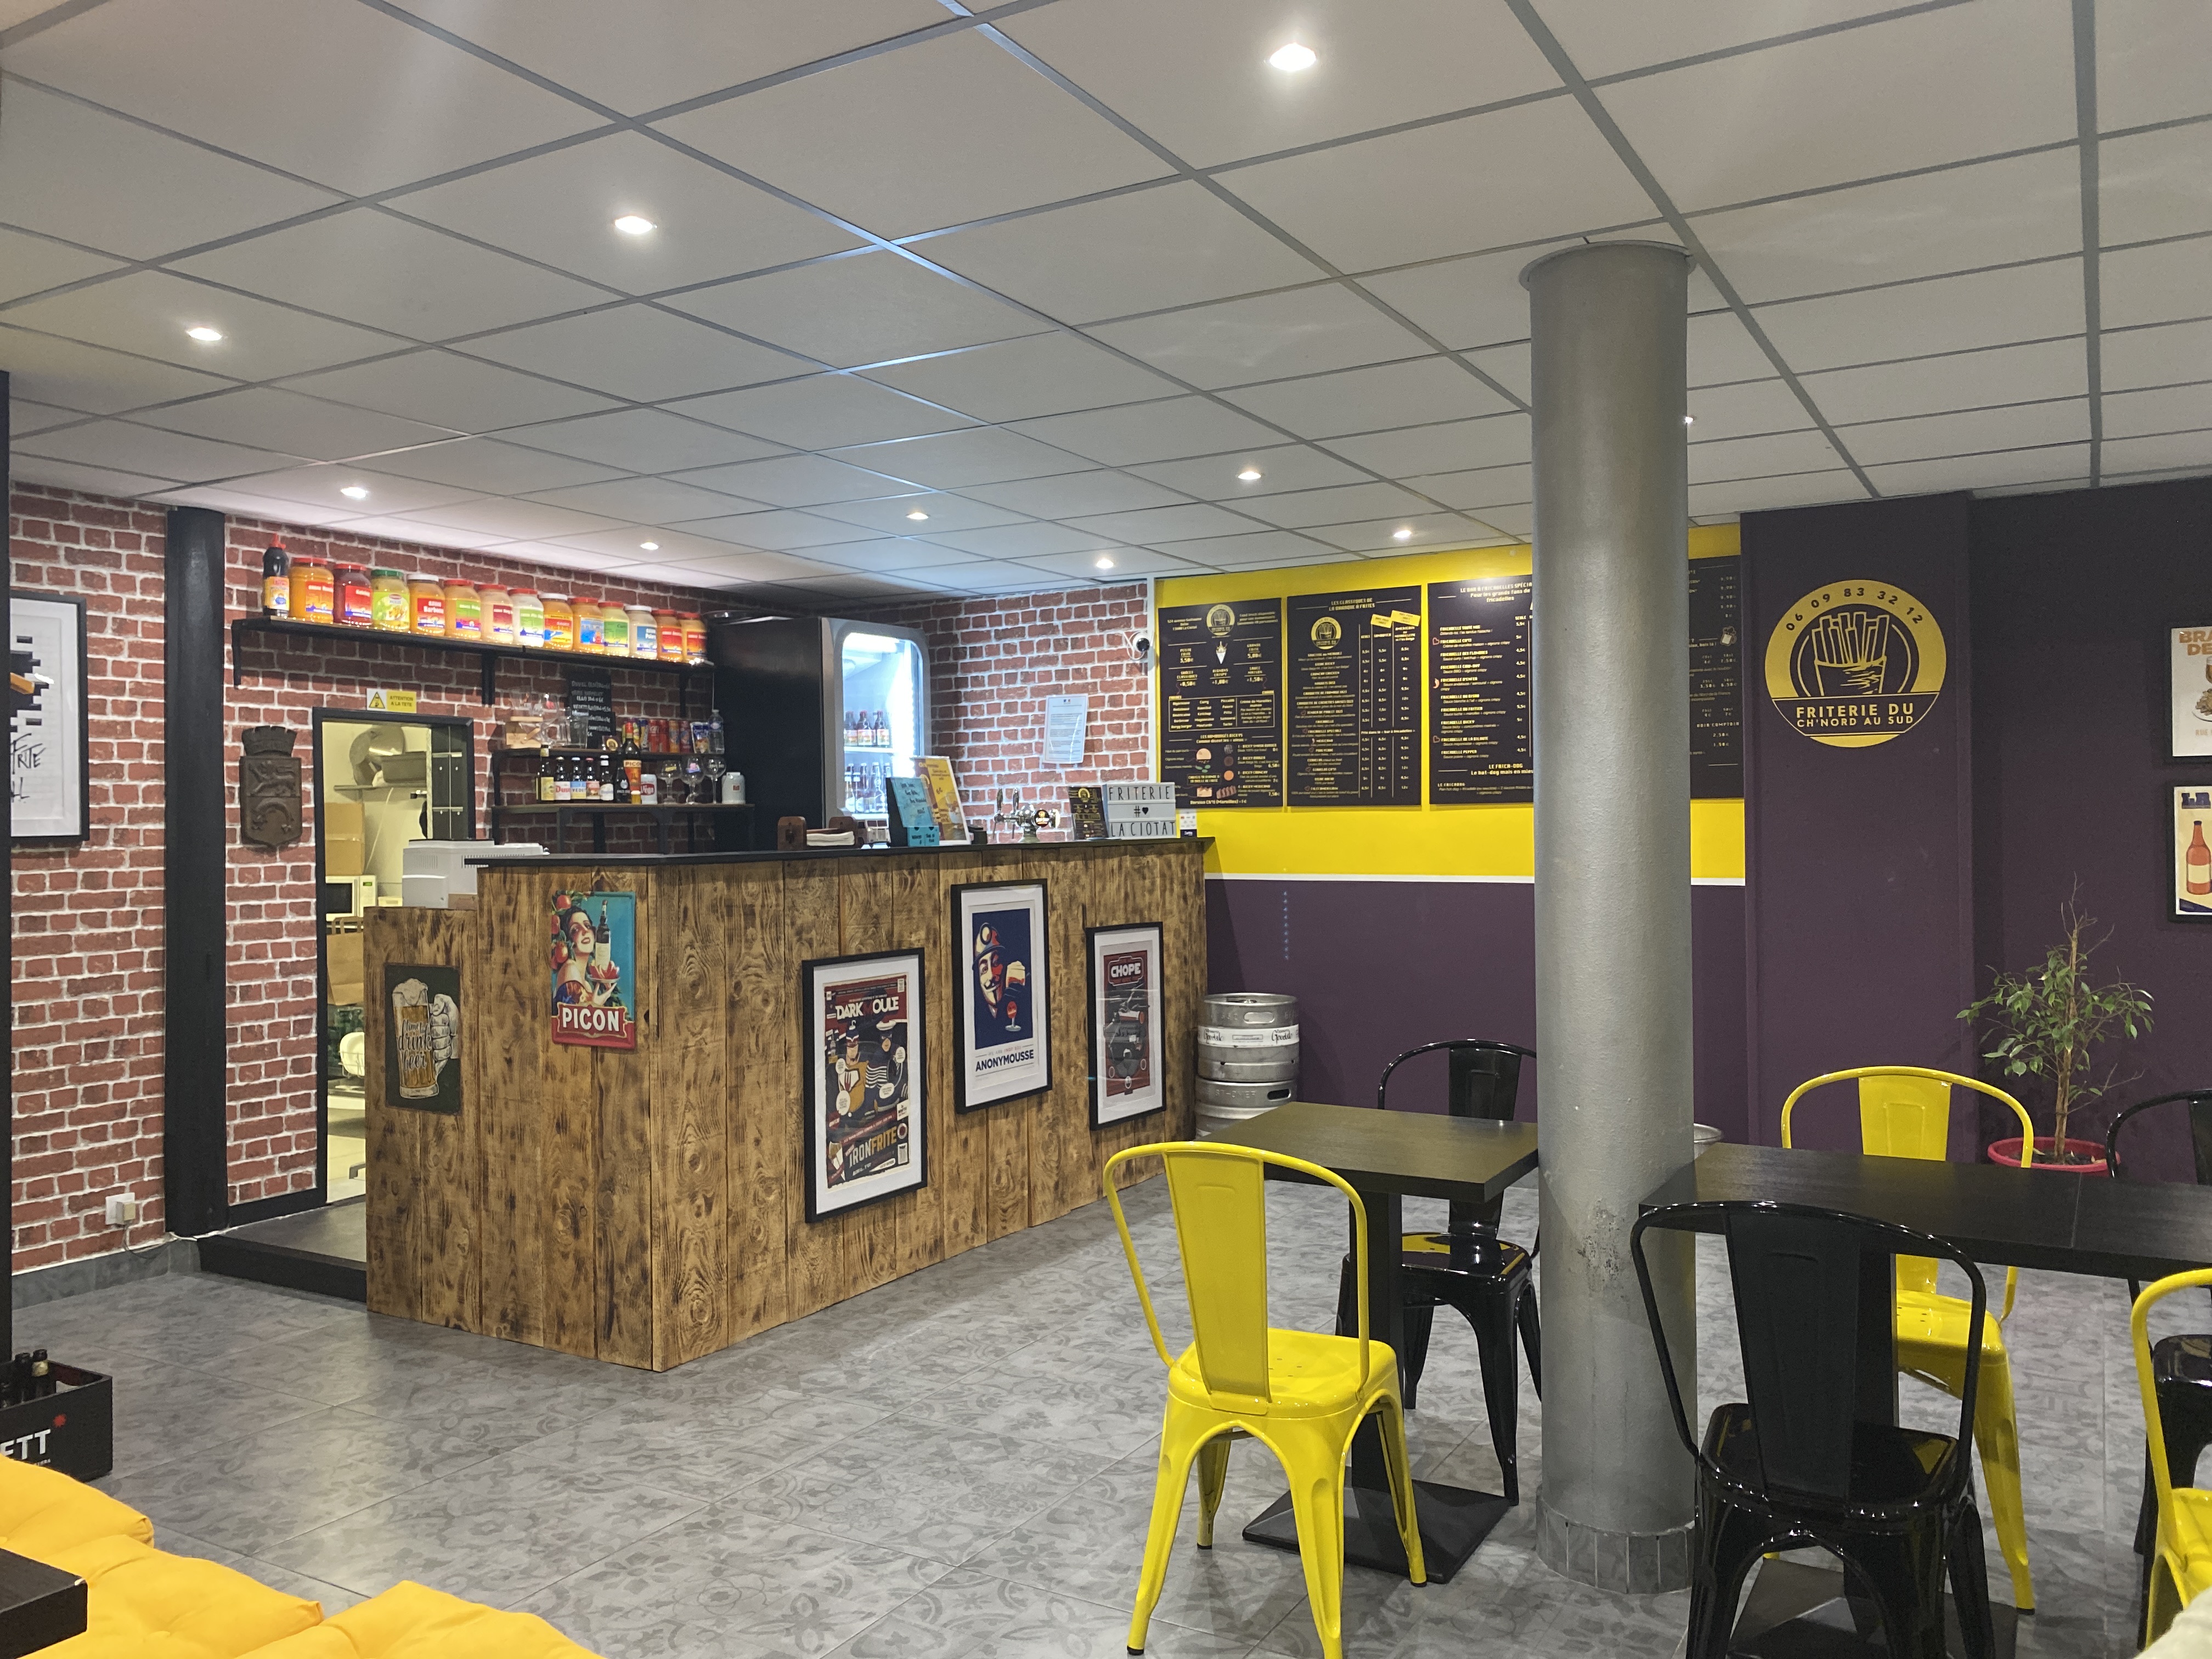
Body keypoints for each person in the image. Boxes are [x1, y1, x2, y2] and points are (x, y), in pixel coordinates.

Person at [972, 921, 1029, 1042]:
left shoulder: (1023, 1004)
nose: (991, 975)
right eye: (984, 969)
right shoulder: (975, 1020)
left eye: (996, 962)